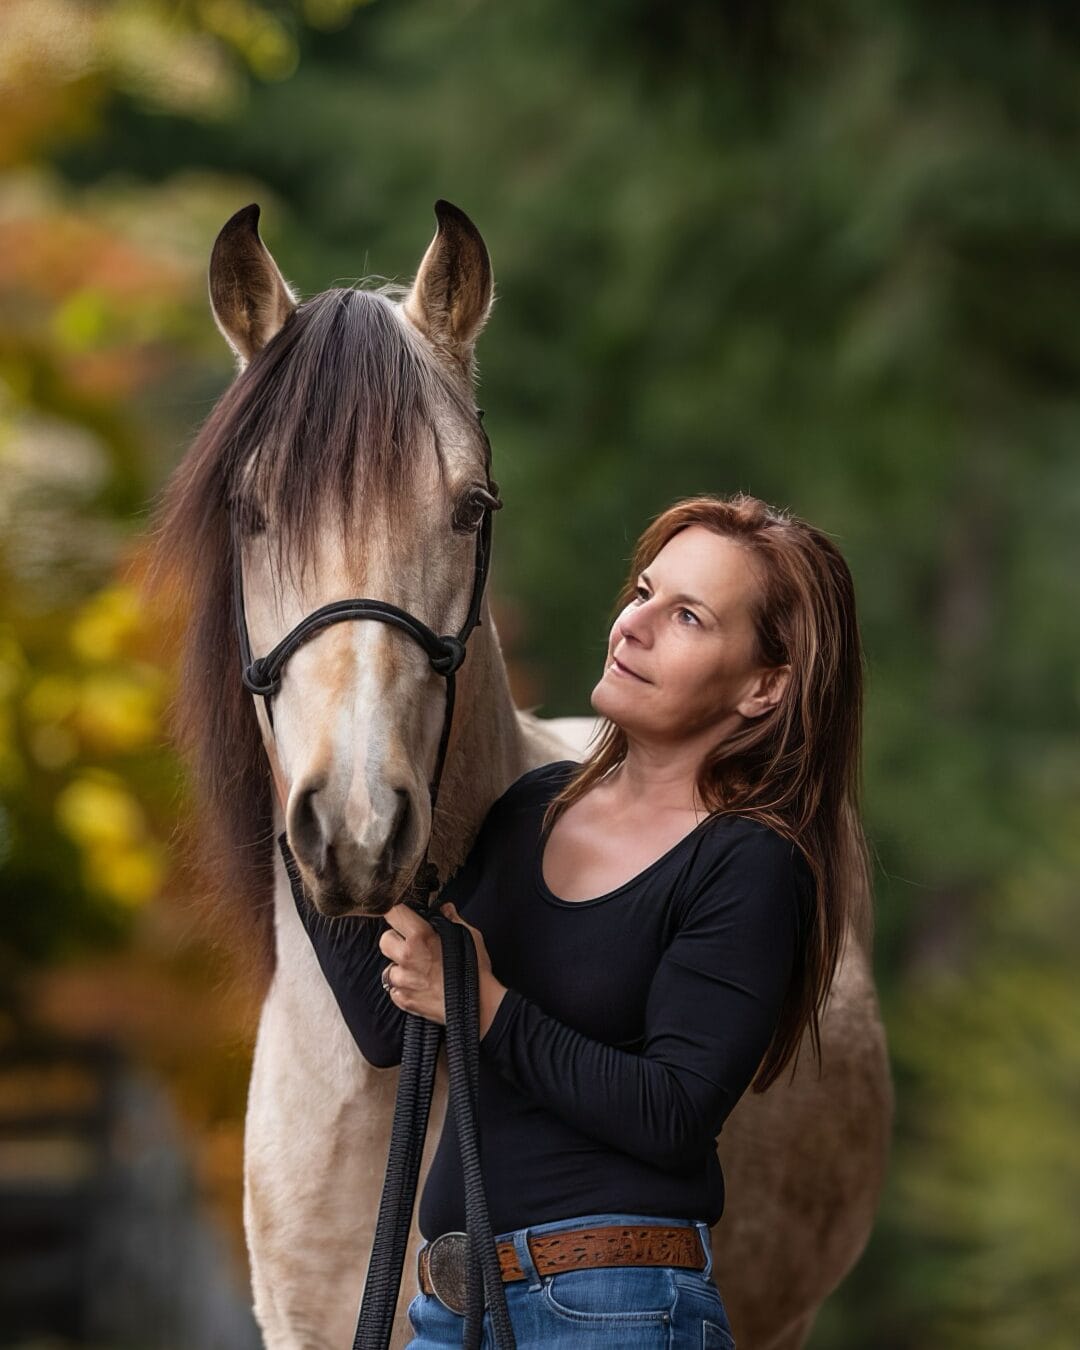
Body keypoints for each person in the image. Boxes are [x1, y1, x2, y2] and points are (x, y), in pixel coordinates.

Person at [284, 491, 872, 1349]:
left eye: (688, 617)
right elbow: (389, 1024)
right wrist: (306, 767)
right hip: (454, 1311)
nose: (633, 625)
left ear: (764, 686)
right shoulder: (532, 811)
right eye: (641, 593)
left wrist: (485, 1009)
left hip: (614, 1311)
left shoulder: (749, 861)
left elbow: (674, 1112)